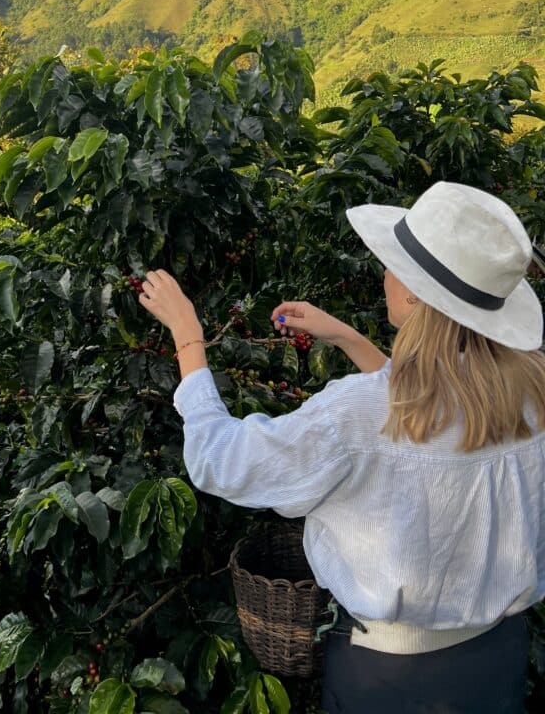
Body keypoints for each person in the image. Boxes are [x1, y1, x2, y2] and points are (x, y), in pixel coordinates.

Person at [137, 181, 545, 714]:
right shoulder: (530, 387)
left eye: (395, 261)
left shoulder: (354, 414)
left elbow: (222, 460)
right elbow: (430, 422)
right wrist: (351, 340)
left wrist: (188, 339)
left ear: (416, 294)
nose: (384, 271)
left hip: (387, 681)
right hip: (497, 660)